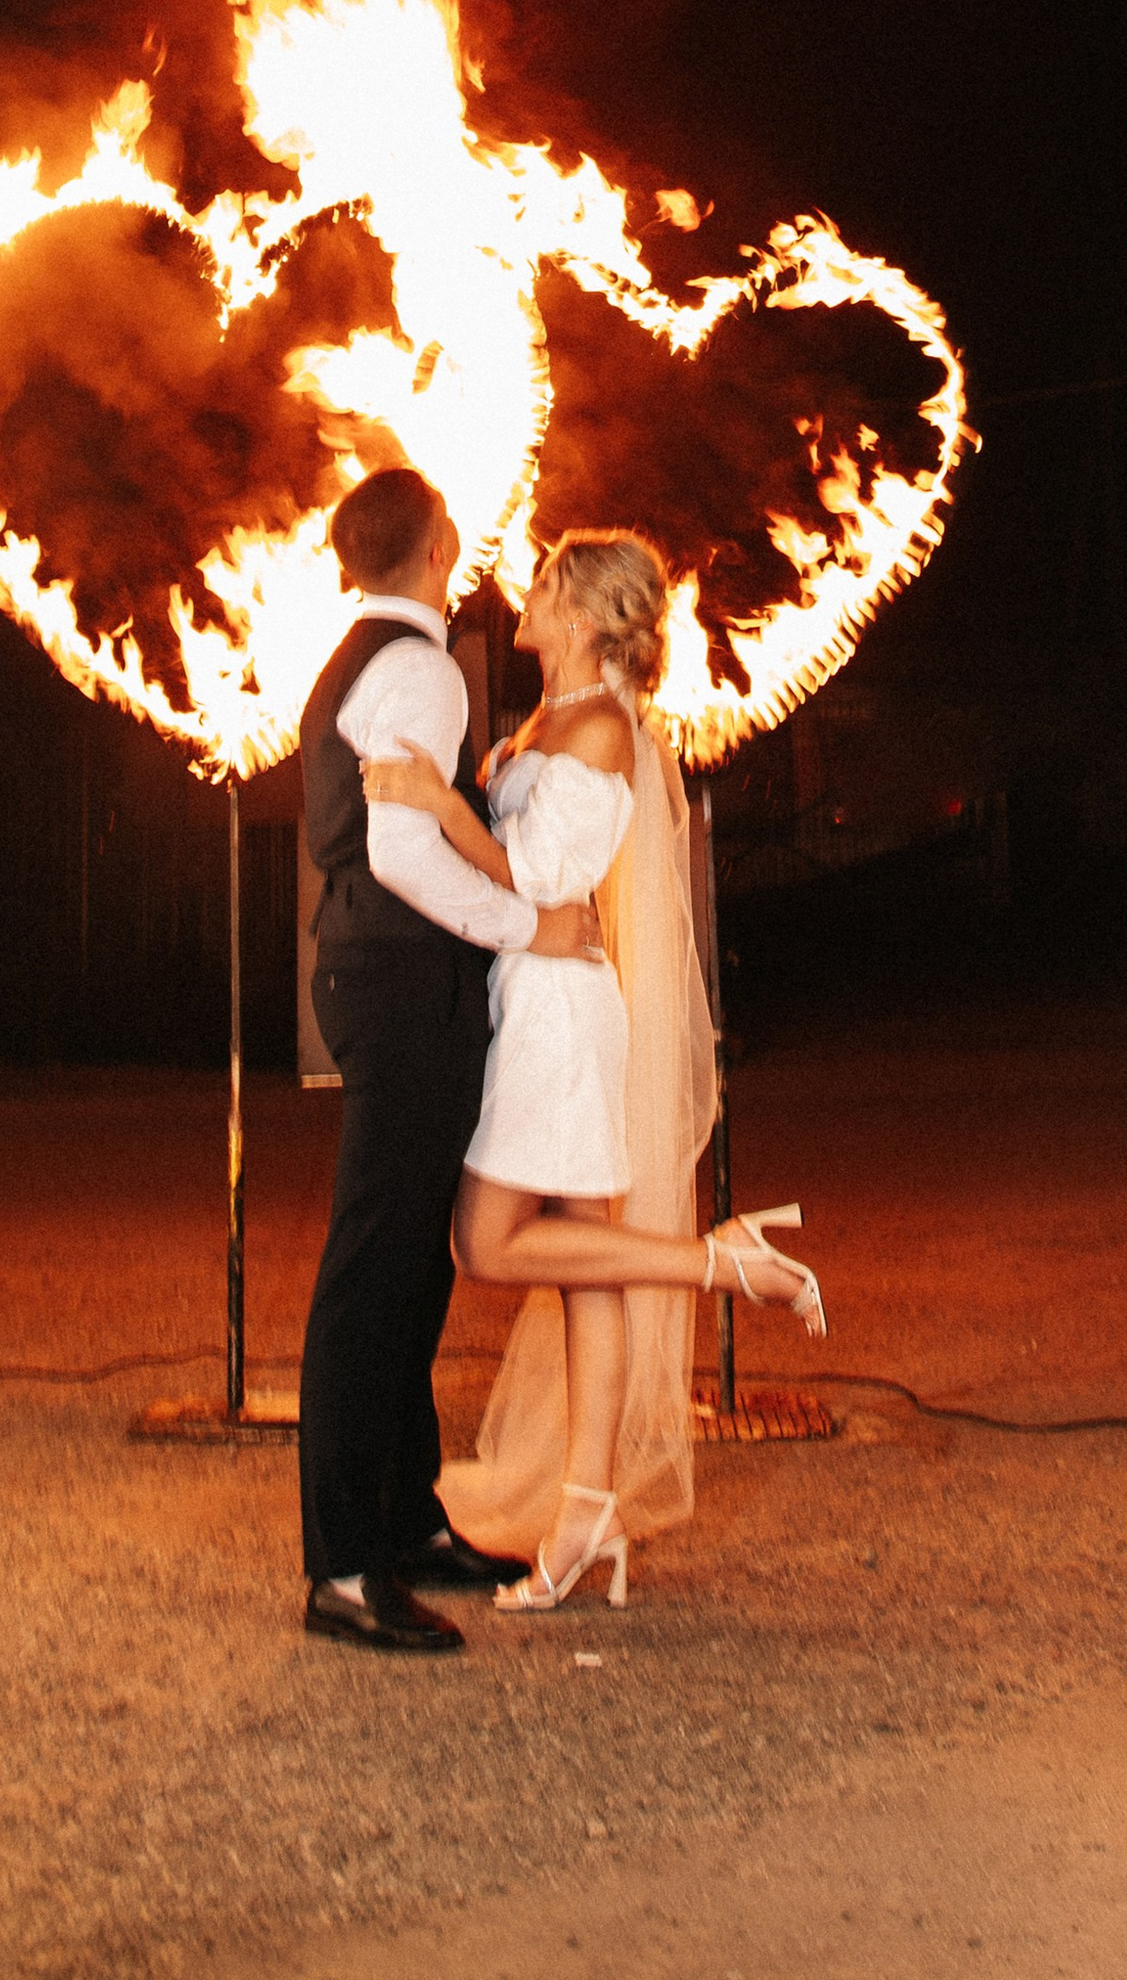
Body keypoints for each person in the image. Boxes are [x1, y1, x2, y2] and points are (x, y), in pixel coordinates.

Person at [362, 526, 826, 1615]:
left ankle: (716, 1260)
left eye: (540, 584)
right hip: (543, 998)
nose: (518, 595)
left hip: (557, 1021)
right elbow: (534, 878)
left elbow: (534, 875)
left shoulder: (606, 730)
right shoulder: (556, 718)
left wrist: (441, 805)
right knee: (588, 1271)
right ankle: (586, 1519)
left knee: (485, 1241)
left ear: (576, 615)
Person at [295, 463, 607, 1656]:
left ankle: (404, 1518)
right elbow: (403, 859)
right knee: (374, 1266)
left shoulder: (370, 657)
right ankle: (341, 1568)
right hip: (399, 980)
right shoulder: (418, 667)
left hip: (389, 980)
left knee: (412, 1264)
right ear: (442, 549)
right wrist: (532, 928)